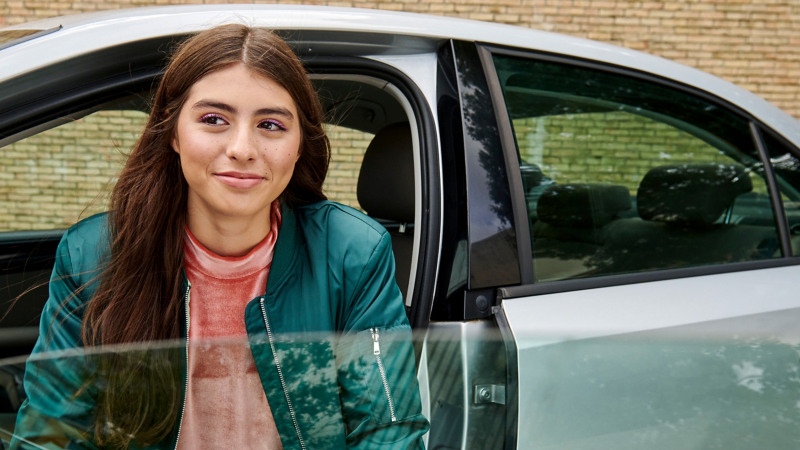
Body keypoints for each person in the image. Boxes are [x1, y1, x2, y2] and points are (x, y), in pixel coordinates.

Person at [11, 24, 429, 450]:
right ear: (173, 133)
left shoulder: (352, 253)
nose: (243, 148)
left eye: (270, 124)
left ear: (299, 145)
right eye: (213, 119)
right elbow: (51, 436)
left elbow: (387, 432)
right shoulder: (92, 254)